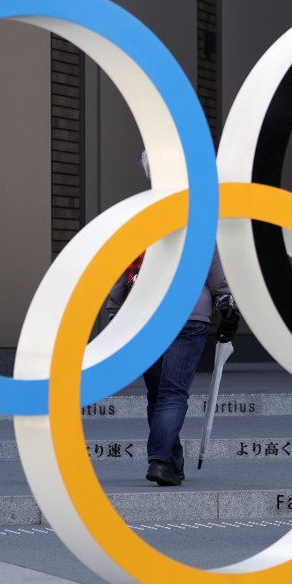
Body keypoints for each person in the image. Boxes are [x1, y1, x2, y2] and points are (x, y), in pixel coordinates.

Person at [106, 150, 240, 487]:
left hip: (144, 318)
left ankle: (169, 460)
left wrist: (113, 315)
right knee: (172, 394)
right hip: (189, 317)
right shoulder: (196, 215)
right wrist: (227, 304)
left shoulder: (139, 215)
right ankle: (163, 459)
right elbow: (213, 266)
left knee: (158, 394)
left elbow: (122, 267)